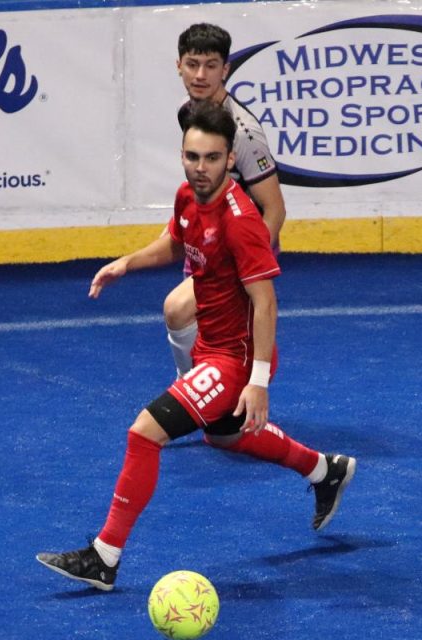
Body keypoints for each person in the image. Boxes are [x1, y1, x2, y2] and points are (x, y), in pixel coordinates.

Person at [36, 103, 354, 592]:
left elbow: (265, 302)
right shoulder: (188, 196)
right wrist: (126, 263)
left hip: (234, 361)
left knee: (144, 434)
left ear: (230, 159)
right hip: (210, 348)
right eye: (192, 156)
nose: (200, 168)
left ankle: (105, 556)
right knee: (226, 437)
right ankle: (323, 469)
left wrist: (258, 381)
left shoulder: (240, 221)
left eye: (211, 158)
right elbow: (175, 244)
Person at [162, 22, 286, 377]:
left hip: (239, 248)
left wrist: (247, 264)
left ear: (226, 69)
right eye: (192, 64)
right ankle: (207, 392)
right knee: (207, 330)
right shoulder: (190, 113)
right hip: (208, 240)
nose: (200, 75)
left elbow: (274, 208)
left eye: (211, 65)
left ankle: (193, 392)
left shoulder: (244, 132)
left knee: (179, 309)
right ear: (179, 66)